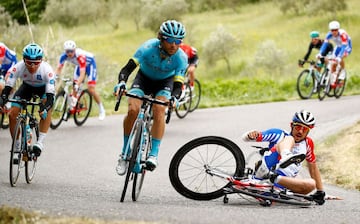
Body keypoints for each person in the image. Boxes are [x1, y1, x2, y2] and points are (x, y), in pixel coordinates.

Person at [114, 20, 188, 175]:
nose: (174, 45)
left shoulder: (181, 57)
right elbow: (127, 69)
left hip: (164, 83)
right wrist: (121, 83)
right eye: (170, 40)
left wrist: (174, 98)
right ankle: (124, 153)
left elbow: (178, 85)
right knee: (133, 110)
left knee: (160, 109)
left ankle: (153, 154)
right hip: (143, 79)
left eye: (178, 41)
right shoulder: (148, 47)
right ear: (161, 37)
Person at [242, 110, 326, 205]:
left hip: (282, 183)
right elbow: (246, 138)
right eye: (298, 127)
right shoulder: (279, 134)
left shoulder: (308, 144)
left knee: (311, 184)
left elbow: (313, 167)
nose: (300, 131)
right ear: (291, 125)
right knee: (290, 139)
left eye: (305, 129)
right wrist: (251, 135)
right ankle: (285, 156)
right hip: (265, 171)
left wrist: (320, 191)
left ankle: (274, 183)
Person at [0, 43, 56, 157]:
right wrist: (3, 100)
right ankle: (16, 145)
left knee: (45, 111)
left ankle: (40, 142)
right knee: (12, 114)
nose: (32, 66)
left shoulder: (47, 70)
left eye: (36, 63)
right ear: (23, 60)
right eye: (29, 62)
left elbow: (50, 96)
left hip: (43, 89)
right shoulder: (18, 67)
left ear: (41, 61)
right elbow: (7, 89)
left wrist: (45, 107)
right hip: (26, 88)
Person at [55, 40, 106, 120]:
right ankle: (71, 108)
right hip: (80, 66)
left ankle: (101, 109)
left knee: (91, 89)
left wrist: (78, 84)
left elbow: (83, 73)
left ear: (74, 50)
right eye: (67, 51)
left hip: (90, 65)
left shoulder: (80, 55)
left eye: (71, 51)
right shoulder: (63, 56)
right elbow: (59, 68)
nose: (69, 53)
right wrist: (55, 77)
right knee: (74, 89)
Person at [318, 21, 352, 88]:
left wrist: (339, 56)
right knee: (333, 61)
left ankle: (342, 74)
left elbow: (344, 47)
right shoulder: (329, 35)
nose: (334, 32)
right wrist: (320, 53)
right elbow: (324, 44)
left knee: (341, 57)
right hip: (338, 46)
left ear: (338, 29)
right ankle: (333, 79)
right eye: (332, 30)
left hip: (346, 46)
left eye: (335, 30)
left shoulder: (342, 35)